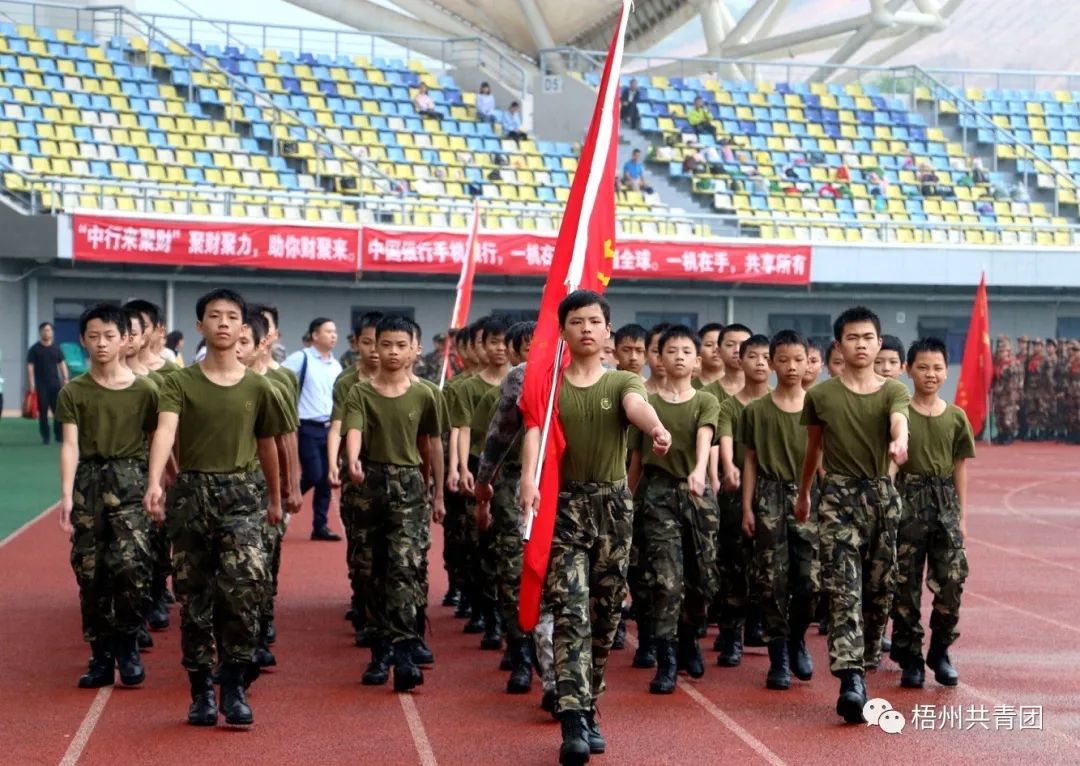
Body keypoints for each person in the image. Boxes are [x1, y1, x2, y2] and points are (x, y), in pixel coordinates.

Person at [519, 290, 671, 765]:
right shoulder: (547, 386)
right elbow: (534, 434)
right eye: (576, 321)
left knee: (605, 616)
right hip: (563, 507)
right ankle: (571, 719)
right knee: (570, 614)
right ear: (562, 332)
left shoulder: (622, 380)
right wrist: (527, 479)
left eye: (594, 322)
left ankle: (589, 702)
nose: (586, 328)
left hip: (611, 508)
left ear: (608, 331)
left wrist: (656, 428)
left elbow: (635, 407)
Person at [144, 288, 291, 727]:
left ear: (244, 328)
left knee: (243, 591)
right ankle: (200, 691)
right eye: (214, 316)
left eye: (232, 317)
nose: (223, 323)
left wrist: (276, 498)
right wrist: (155, 481)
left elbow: (269, 446)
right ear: (200, 326)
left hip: (243, 496)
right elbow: (166, 431)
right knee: (195, 598)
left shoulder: (259, 386)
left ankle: (235, 685)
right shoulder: (178, 382)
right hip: (192, 494)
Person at [796, 306, 910, 724]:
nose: (860, 345)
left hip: (881, 495)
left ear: (879, 343)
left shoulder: (893, 391)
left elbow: (900, 424)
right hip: (838, 497)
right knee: (843, 589)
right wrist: (805, 492)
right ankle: (851, 680)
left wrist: (900, 444)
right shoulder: (821, 396)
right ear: (839, 346)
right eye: (852, 338)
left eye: (867, 337)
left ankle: (863, 661)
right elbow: (814, 450)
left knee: (879, 591)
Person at [58, 303, 158, 689]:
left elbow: (156, 441)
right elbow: (69, 445)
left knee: (131, 568)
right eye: (94, 336)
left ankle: (128, 644)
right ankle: (101, 655)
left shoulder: (145, 390)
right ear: (83, 340)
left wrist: (156, 484)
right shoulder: (74, 391)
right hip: (89, 483)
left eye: (110, 336)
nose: (101, 344)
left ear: (125, 340)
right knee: (91, 571)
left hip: (130, 480)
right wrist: (66, 496)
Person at [343, 315, 445, 691]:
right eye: (385, 344)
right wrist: (353, 459)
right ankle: (379, 649)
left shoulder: (427, 393)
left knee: (404, 567)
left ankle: (404, 651)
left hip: (408, 487)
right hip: (368, 485)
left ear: (415, 350)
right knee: (369, 571)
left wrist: (437, 493)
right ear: (373, 347)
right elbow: (353, 427)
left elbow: (432, 444)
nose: (392, 352)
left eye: (401, 345)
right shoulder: (361, 392)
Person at [628, 325, 720, 694]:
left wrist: (699, 472)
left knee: (702, 580)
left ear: (697, 362)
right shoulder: (645, 406)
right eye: (672, 351)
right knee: (666, 579)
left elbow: (705, 438)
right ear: (659, 358)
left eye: (686, 351)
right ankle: (666, 659)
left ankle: (688, 639)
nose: (679, 356)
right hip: (657, 494)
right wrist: (627, 499)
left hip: (697, 495)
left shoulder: (706, 400)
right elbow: (635, 459)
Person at [889, 338, 974, 689]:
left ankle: (940, 651)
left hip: (944, 505)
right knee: (904, 585)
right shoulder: (899, 413)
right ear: (908, 370)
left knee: (951, 580)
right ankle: (909, 657)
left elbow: (959, 468)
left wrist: (963, 518)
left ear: (946, 370)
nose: (931, 374)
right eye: (923, 366)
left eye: (938, 367)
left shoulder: (956, 416)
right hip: (908, 500)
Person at [740, 330, 819, 690]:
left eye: (798, 360)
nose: (791, 367)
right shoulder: (756, 410)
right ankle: (778, 657)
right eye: (783, 360)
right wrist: (747, 508)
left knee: (810, 581)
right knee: (772, 581)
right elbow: (751, 461)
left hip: (808, 496)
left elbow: (823, 460)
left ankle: (797, 638)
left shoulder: (818, 406)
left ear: (808, 363)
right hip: (770, 495)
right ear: (772, 363)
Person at [235, 313, 303, 670]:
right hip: (227, 489)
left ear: (261, 342)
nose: (236, 347)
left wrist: (292, 485)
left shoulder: (278, 383)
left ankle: (260, 628)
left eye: (244, 341)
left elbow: (286, 436)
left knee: (264, 561)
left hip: (264, 485)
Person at [474, 322, 537, 694]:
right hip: (513, 487)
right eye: (528, 346)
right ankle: (521, 655)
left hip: (562, 489)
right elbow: (497, 436)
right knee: (513, 572)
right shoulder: (516, 380)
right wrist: (484, 486)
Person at [454, 316, 514, 647]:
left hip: (516, 473)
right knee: (480, 546)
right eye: (491, 342)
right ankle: (487, 614)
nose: (497, 349)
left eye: (503, 343)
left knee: (508, 554)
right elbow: (462, 430)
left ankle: (506, 627)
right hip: (483, 468)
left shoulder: (526, 385)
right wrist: (462, 467)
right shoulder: (470, 388)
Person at [714, 334, 771, 666]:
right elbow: (725, 439)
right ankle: (731, 635)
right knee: (734, 565)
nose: (760, 362)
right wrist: (728, 467)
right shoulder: (730, 405)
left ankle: (764, 628)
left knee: (771, 567)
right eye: (753, 356)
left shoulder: (786, 403)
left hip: (777, 492)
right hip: (736, 494)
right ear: (741, 360)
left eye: (766, 356)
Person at [328, 311, 382, 646]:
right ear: (356, 344)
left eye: (382, 342)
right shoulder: (347, 382)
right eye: (368, 342)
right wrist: (337, 461)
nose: (376, 350)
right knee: (362, 548)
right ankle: (363, 604)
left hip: (396, 474)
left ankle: (398, 626)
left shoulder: (411, 383)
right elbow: (337, 424)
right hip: (358, 473)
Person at [284, 317, 343, 540]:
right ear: (315, 335)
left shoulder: (336, 365)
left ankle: (320, 526)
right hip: (307, 426)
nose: (334, 335)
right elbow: (280, 379)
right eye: (328, 331)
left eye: (335, 331)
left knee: (328, 478)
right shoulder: (301, 358)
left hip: (330, 428)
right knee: (313, 473)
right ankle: (287, 500)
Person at [27, 321, 69, 444]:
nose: (47, 332)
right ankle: (45, 437)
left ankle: (59, 436)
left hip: (55, 385)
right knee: (43, 412)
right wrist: (31, 384)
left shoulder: (56, 348)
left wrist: (65, 378)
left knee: (58, 411)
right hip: (41, 386)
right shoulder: (34, 349)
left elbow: (62, 363)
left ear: (52, 332)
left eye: (49, 330)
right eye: (45, 330)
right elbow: (30, 367)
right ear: (40, 332)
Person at [693, 322, 725, 389]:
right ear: (697, 349)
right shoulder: (688, 385)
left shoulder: (741, 386)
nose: (716, 349)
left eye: (720, 344)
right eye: (709, 345)